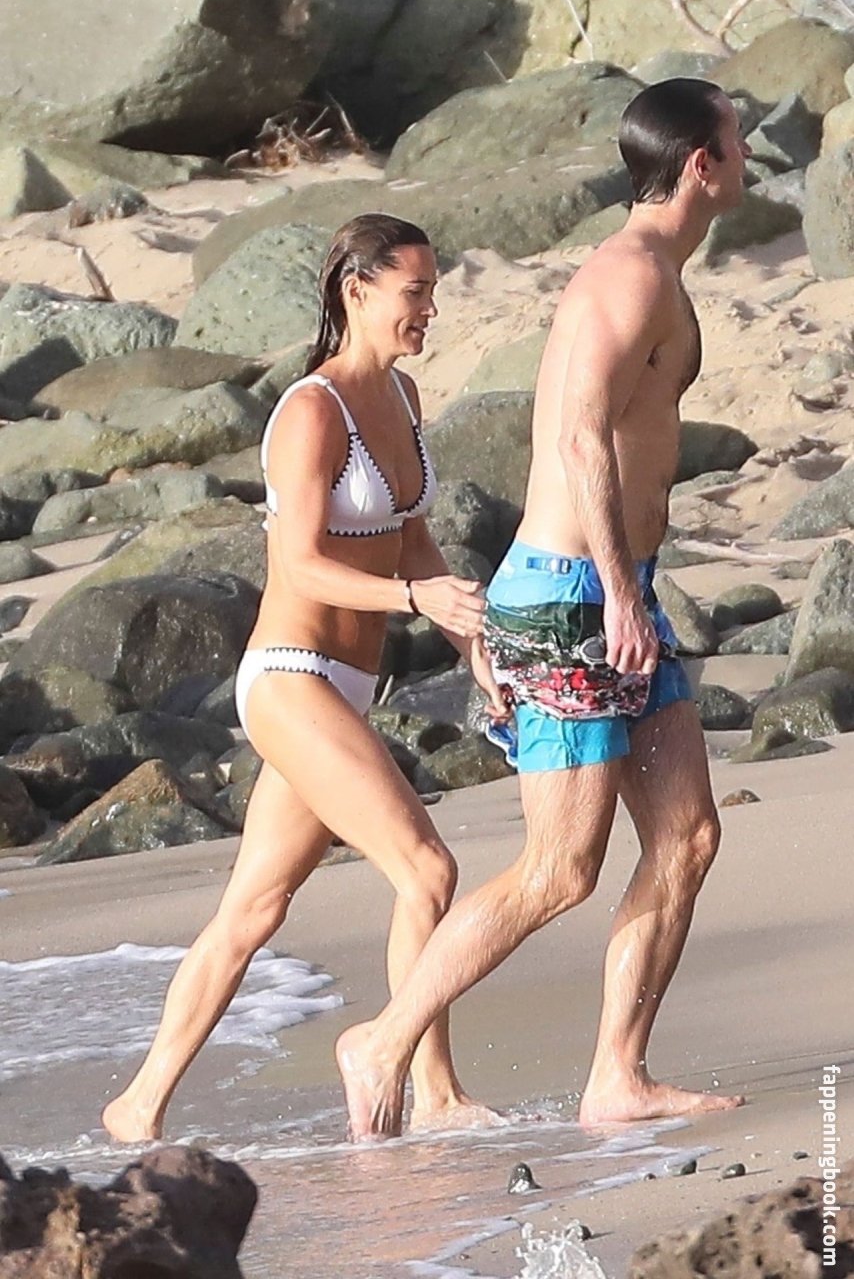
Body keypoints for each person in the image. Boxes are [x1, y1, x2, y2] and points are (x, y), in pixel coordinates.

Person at [335, 80, 752, 1139]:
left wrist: (631, 586)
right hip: (574, 597)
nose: (749, 155)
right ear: (700, 163)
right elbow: (575, 434)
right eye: (737, 140)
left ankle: (617, 1075)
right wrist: (617, 590)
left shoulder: (656, 270)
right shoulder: (628, 276)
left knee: (687, 835)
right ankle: (384, 1038)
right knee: (560, 869)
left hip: (613, 589)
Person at [102, 213, 507, 1143]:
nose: (430, 309)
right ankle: (434, 1091)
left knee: (254, 909)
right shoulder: (311, 411)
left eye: (434, 292)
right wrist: (413, 598)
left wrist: (470, 648)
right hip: (290, 675)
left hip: (349, 684)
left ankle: (137, 1106)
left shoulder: (401, 396)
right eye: (415, 292)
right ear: (357, 291)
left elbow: (411, 535)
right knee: (427, 869)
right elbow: (300, 564)